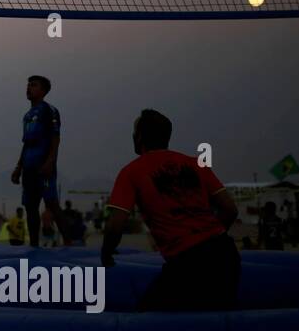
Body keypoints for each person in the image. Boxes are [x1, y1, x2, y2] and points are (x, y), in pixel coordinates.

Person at [101, 109, 241, 311]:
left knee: (146, 324)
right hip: (225, 255)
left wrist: (106, 256)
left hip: (187, 263)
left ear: (139, 136)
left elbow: (115, 225)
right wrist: (211, 239)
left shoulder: (132, 171)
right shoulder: (196, 164)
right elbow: (230, 210)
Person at [11, 75, 62, 249]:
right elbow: (26, 143)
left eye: (33, 85)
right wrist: (18, 167)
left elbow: (56, 138)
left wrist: (50, 161)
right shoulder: (27, 116)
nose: (28, 88)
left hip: (44, 165)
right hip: (28, 167)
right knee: (30, 207)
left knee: (51, 204)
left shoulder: (49, 110)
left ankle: (70, 242)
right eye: (28, 85)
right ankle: (34, 245)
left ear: (43, 90)